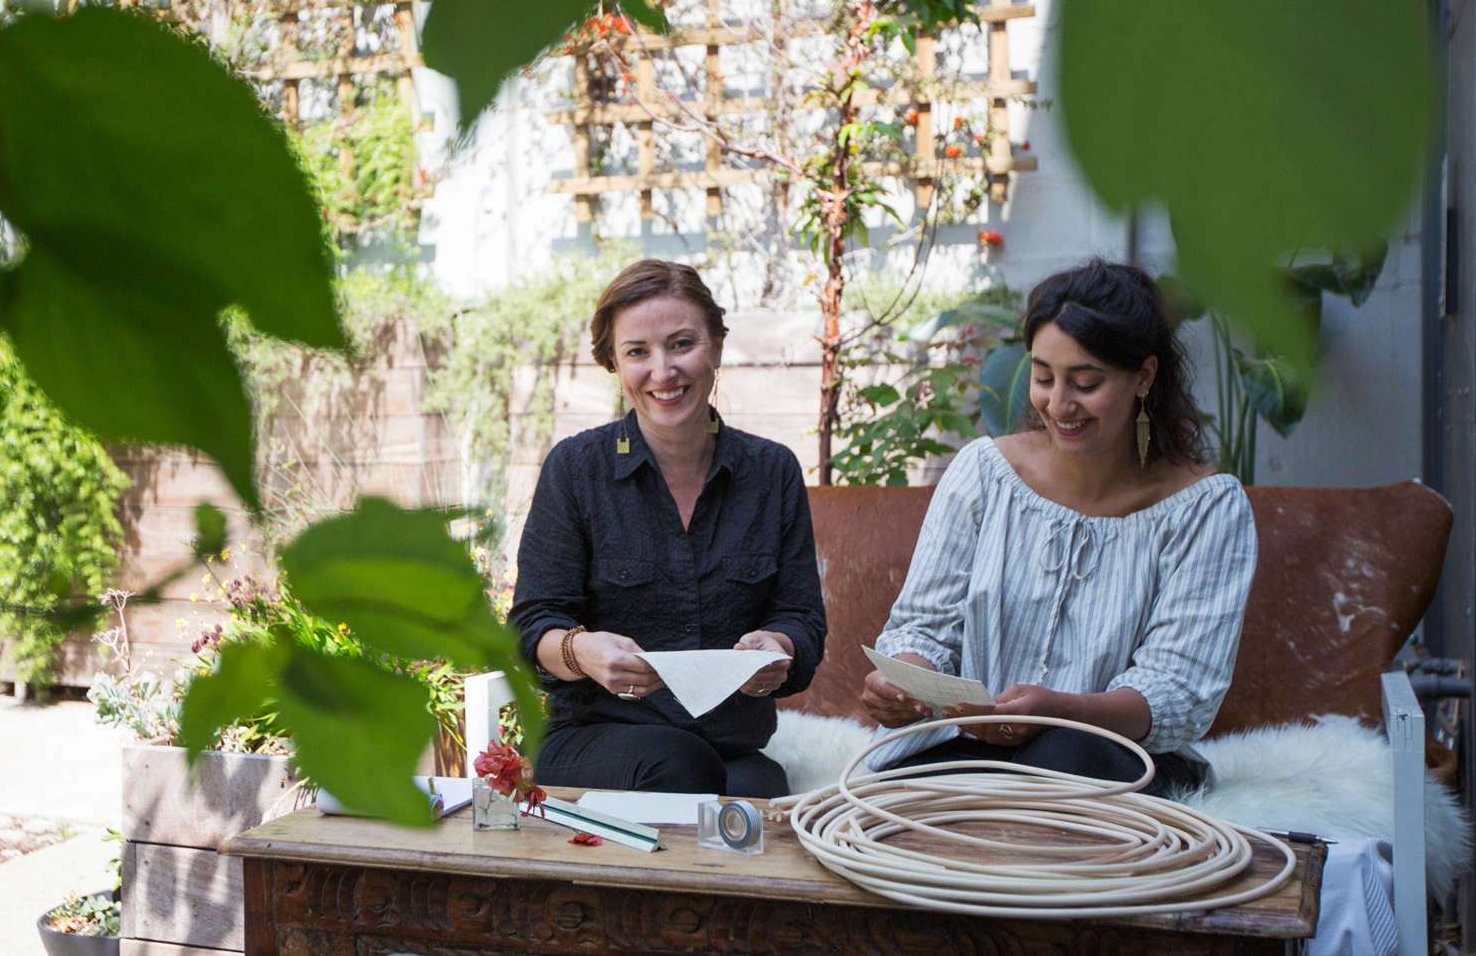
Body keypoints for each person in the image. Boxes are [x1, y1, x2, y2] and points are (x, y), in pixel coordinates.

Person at [861, 259, 1256, 795]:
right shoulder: (983, 472)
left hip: (1112, 762)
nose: (1058, 404)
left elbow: (1177, 692)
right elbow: (924, 628)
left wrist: (1059, 712)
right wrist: (901, 681)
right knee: (897, 792)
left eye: (1086, 382)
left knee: (1063, 752)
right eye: (1043, 377)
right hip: (965, 753)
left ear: (1144, 376)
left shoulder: (1205, 509)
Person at [508, 259, 827, 798]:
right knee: (681, 765)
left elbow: (802, 619)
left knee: (759, 790)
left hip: (729, 747)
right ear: (614, 362)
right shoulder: (575, 469)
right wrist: (580, 651)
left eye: (681, 344)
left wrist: (778, 647)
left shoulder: (772, 471)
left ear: (717, 348)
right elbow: (531, 623)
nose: (663, 371)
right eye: (638, 352)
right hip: (593, 740)